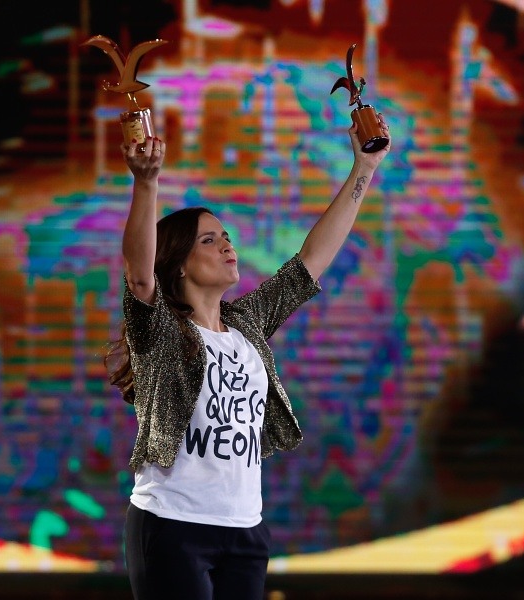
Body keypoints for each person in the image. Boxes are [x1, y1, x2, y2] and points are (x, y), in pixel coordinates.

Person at [105, 116, 390, 600]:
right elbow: (139, 276)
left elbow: (310, 263)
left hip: (245, 530)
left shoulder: (246, 324)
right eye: (208, 240)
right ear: (178, 264)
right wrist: (146, 183)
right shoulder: (161, 330)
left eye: (226, 236)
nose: (226, 245)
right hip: (172, 524)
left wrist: (364, 167)